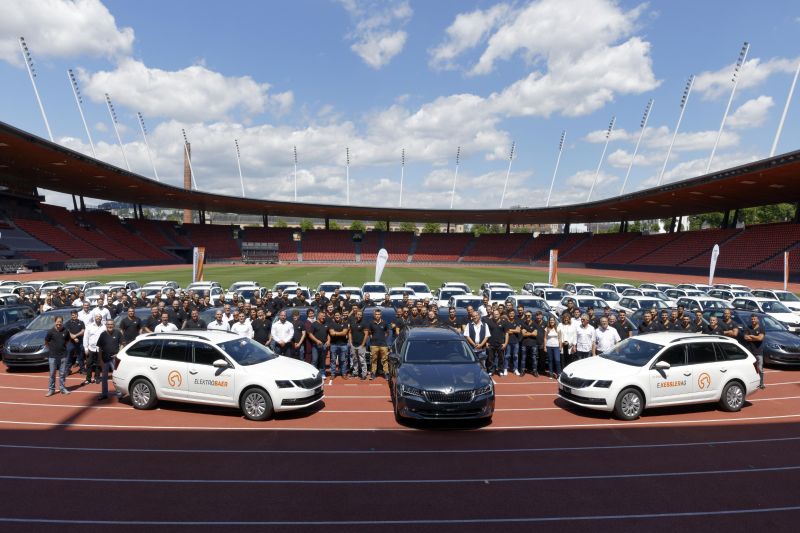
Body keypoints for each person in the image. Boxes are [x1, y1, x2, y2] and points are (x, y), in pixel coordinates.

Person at [96, 319, 123, 401]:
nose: (110, 326)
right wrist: (100, 360)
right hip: (105, 359)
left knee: (117, 377)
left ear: (114, 325)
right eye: (108, 324)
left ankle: (119, 393)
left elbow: (122, 344)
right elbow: (99, 348)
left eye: (111, 324)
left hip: (115, 359)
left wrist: (118, 353)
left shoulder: (118, 333)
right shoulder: (103, 335)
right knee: (104, 377)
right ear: (106, 325)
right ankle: (104, 394)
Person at [44, 316, 70, 396]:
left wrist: (62, 347)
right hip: (52, 356)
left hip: (63, 355)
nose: (59, 323)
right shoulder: (50, 332)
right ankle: (51, 390)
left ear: (62, 322)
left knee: (62, 373)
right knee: (52, 373)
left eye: (60, 322)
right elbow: (46, 342)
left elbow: (67, 340)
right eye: (57, 322)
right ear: (55, 322)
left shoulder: (66, 331)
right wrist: (51, 349)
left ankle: (62, 388)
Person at [367, 309, 391, 380]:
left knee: (384, 359)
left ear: (381, 315)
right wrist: (373, 338)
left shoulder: (384, 323)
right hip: (374, 344)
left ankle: (386, 373)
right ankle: (373, 373)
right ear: (374, 315)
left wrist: (382, 338)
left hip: (383, 344)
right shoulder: (371, 323)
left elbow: (387, 333)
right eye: (376, 314)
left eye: (378, 314)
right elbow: (370, 333)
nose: (377, 316)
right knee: (373, 359)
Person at [744, 314, 766, 389]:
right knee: (750, 368)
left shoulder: (761, 328)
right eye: (752, 319)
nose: (753, 320)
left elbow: (760, 338)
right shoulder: (748, 328)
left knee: (760, 368)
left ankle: (761, 383)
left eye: (754, 319)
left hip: (758, 351)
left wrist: (752, 336)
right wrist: (756, 338)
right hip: (750, 352)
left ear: (757, 320)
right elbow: (746, 337)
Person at [83, 313, 105, 385]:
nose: (98, 318)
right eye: (97, 317)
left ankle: (97, 377)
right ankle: (88, 379)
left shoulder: (104, 327)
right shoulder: (89, 326)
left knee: (98, 364)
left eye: (99, 317)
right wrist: (86, 348)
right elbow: (85, 337)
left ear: (101, 318)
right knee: (89, 364)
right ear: (94, 318)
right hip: (90, 348)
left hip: (99, 349)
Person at [485, 309, 509, 375]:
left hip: (501, 343)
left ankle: (500, 370)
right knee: (490, 358)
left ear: (499, 315)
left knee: (501, 358)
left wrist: (505, 343)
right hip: (491, 343)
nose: (495, 316)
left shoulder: (504, 322)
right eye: (494, 314)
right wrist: (487, 342)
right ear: (492, 315)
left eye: (497, 314)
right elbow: (486, 333)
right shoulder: (489, 322)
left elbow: (507, 333)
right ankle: (491, 370)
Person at [308, 312, 330, 379]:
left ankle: (322, 373)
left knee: (322, 360)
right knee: (315, 360)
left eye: (324, 316)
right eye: (322, 316)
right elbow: (310, 334)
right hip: (315, 346)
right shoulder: (314, 324)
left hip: (324, 345)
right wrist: (317, 340)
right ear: (318, 316)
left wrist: (329, 341)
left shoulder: (326, 323)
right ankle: (314, 374)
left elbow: (328, 334)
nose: (323, 317)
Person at [328, 311, 350, 378]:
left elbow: (344, 333)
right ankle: (333, 374)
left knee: (343, 360)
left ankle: (343, 374)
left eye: (338, 315)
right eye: (336, 315)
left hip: (343, 344)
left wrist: (335, 333)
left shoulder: (345, 323)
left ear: (341, 316)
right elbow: (331, 333)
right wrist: (341, 333)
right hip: (333, 344)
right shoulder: (331, 324)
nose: (337, 316)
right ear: (334, 316)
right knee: (333, 360)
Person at [348, 308, 368, 379]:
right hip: (353, 344)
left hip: (361, 345)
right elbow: (350, 332)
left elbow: (366, 335)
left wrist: (363, 344)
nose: (359, 316)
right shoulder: (352, 322)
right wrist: (350, 342)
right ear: (356, 315)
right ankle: (355, 372)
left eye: (361, 315)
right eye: (358, 315)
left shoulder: (364, 323)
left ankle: (364, 374)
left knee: (362, 360)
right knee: (354, 360)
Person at [65, 309, 85, 375]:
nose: (74, 316)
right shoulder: (68, 323)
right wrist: (73, 338)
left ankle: (82, 370)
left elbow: (83, 331)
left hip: (79, 342)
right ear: (71, 315)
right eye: (73, 315)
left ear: (77, 315)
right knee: (69, 356)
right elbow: (68, 332)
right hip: (70, 343)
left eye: (75, 315)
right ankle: (67, 370)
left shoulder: (81, 322)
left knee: (81, 356)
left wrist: (75, 336)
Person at [519, 312, 539, 377]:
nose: (528, 316)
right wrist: (531, 333)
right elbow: (524, 334)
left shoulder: (535, 324)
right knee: (523, 358)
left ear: (531, 316)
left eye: (529, 315)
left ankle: (534, 371)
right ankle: (522, 371)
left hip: (533, 344)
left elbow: (535, 334)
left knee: (534, 358)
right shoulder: (523, 324)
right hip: (524, 344)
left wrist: (527, 332)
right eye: (526, 315)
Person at [504, 309, 522, 376]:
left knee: (515, 356)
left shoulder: (517, 321)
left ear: (514, 314)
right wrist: (514, 330)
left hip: (515, 341)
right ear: (508, 314)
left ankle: (515, 369)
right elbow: (505, 331)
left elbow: (518, 331)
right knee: (507, 356)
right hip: (508, 342)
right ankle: (505, 368)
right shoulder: (505, 322)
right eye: (510, 313)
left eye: (513, 313)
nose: (511, 314)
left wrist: (510, 330)